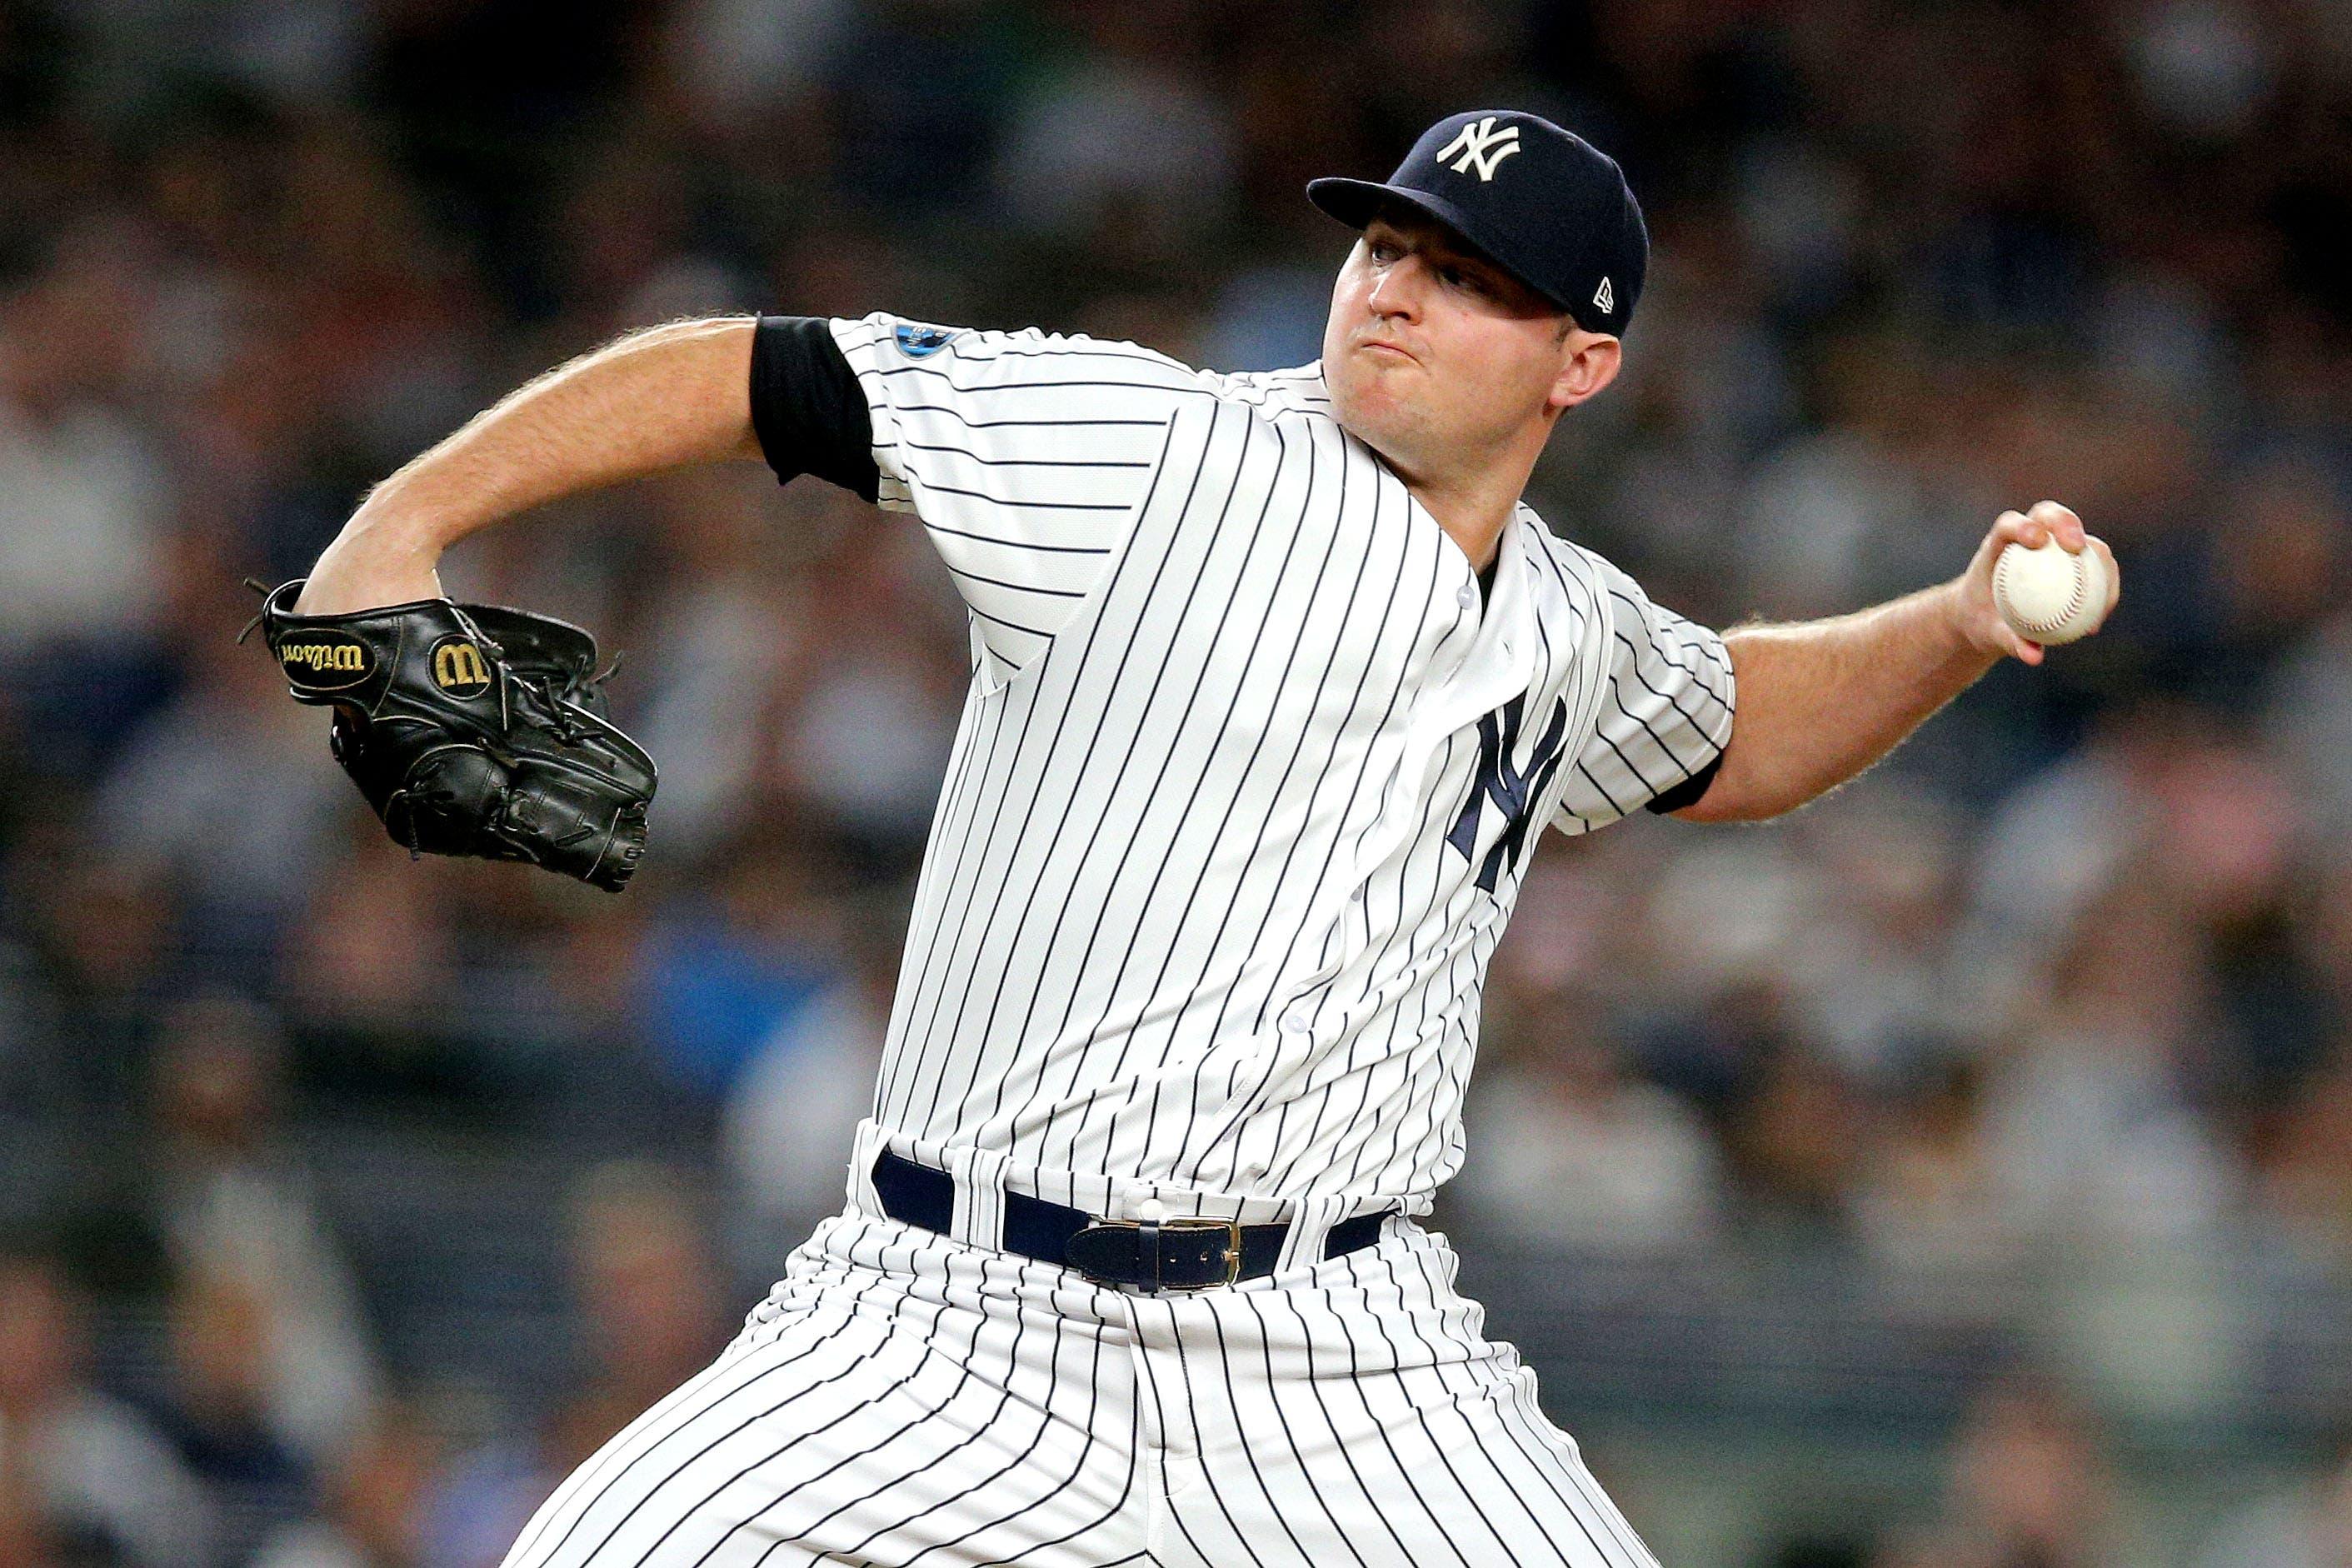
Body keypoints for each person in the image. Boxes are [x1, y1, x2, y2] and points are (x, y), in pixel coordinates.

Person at [291, 110, 2117, 1567]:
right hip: (943, 1315)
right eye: (1383, 243)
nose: (1390, 291)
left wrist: (1955, 621)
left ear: (1581, 363)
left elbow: (1729, 728)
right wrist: (404, 520)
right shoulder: (1148, 448)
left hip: (1343, 1355)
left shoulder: (1567, 620)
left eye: (1464, 276)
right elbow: (767, 372)